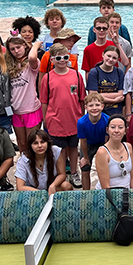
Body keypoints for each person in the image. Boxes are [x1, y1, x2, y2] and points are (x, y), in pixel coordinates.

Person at [40, 43, 85, 187]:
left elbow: (82, 99)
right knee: (60, 151)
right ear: (52, 60)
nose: (62, 60)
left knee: (73, 148)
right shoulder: (47, 78)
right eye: (58, 57)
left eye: (65, 57)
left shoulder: (77, 75)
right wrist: (45, 118)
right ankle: (62, 174)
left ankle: (73, 171)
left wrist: (83, 117)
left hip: (74, 119)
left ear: (69, 58)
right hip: (55, 120)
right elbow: (44, 101)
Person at [6, 36, 43, 152]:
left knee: (32, 142)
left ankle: (35, 168)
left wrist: (36, 45)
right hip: (16, 110)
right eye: (12, 49)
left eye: (18, 47)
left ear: (25, 47)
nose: (16, 51)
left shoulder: (31, 65)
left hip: (31, 109)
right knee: (21, 143)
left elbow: (32, 56)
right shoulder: (8, 66)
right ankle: (24, 167)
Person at [15, 130, 71, 194]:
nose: (40, 146)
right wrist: (41, 194)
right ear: (30, 145)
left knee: (67, 186)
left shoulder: (55, 151)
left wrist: (53, 185)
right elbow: (20, 187)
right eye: (35, 143)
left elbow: (62, 174)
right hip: (32, 191)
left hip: (51, 187)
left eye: (42, 142)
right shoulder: (23, 160)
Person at [93, 114, 133, 190]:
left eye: (120, 127)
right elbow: (105, 186)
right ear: (107, 130)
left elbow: (132, 177)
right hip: (109, 195)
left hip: (127, 193)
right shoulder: (102, 152)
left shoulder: (128, 147)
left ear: (125, 131)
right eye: (113, 127)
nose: (116, 131)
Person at [77, 93, 109, 190]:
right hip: (88, 144)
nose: (94, 108)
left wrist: (105, 151)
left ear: (102, 106)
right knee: (85, 168)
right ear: (86, 107)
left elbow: (107, 138)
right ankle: (86, 193)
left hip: (102, 143)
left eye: (97, 105)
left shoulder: (107, 119)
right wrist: (86, 157)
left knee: (104, 168)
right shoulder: (82, 122)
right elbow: (83, 141)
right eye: (91, 105)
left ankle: (104, 190)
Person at [87, 45, 126, 117]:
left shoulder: (119, 72)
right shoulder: (94, 72)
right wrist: (114, 100)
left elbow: (121, 94)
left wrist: (100, 95)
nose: (111, 59)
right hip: (99, 114)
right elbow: (93, 96)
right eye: (108, 56)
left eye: (114, 58)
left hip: (116, 113)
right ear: (103, 55)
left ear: (118, 60)